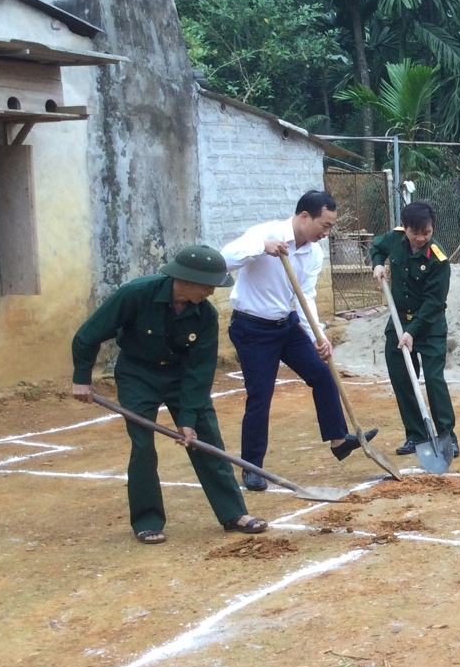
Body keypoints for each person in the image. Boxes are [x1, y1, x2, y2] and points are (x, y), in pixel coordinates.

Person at [71, 245, 267, 543]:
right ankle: (147, 521)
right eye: (208, 286)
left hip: (180, 375)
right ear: (185, 280)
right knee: (142, 445)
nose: (212, 293)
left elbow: (199, 372)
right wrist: (81, 378)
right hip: (138, 373)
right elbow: (88, 334)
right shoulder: (137, 293)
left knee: (205, 438)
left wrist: (188, 418)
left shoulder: (205, 315)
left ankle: (233, 513)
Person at [221, 190, 373, 491]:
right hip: (252, 329)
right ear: (305, 216)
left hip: (286, 326)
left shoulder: (313, 253)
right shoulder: (265, 233)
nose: (327, 233)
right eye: (325, 225)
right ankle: (252, 467)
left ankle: (339, 440)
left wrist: (317, 333)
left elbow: (306, 297)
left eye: (331, 227)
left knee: (321, 372)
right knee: (260, 395)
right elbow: (224, 258)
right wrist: (260, 248)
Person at [370, 200, 457, 458]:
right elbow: (377, 245)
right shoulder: (395, 240)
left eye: (426, 233)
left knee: (433, 379)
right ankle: (416, 436)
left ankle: (446, 436)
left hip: (428, 325)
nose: (420, 238)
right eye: (414, 232)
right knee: (403, 380)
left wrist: (412, 331)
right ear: (405, 228)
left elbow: (434, 302)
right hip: (398, 323)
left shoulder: (438, 259)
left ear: (432, 229)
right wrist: (377, 263)